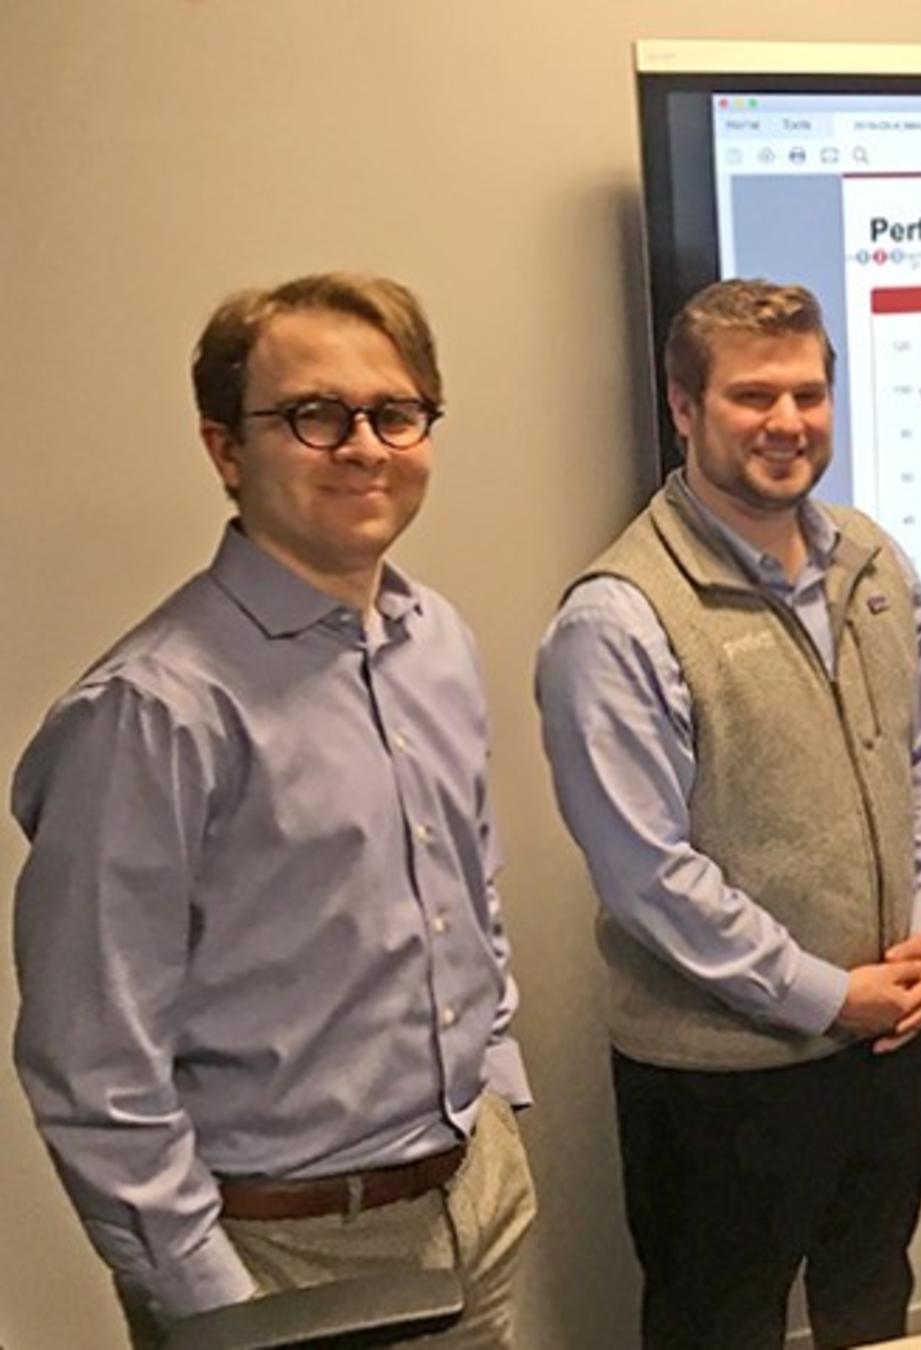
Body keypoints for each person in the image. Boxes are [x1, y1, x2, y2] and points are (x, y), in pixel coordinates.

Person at [11, 273, 536, 1346]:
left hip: (472, 1203)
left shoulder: (435, 642)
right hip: (282, 1252)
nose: (364, 447)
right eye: (314, 415)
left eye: (395, 412)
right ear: (226, 450)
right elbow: (92, 1055)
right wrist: (209, 1296)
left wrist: (494, 1091)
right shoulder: (152, 712)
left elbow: (467, 891)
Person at [536, 278, 921, 1349]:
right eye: (753, 396)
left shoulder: (872, 560)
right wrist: (828, 996)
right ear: (684, 407)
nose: (788, 421)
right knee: (716, 1331)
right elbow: (649, 876)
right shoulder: (619, 617)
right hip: (720, 1088)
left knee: (873, 1310)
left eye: (808, 393)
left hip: (888, 1050)